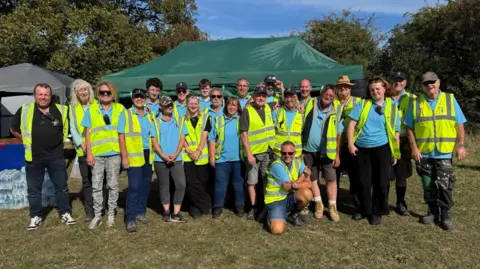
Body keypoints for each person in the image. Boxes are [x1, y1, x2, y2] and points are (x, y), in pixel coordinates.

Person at [404, 72, 467, 231]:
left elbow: (459, 124)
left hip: (444, 152)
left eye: (432, 81)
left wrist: (460, 145)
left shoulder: (450, 100)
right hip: (423, 153)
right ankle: (432, 212)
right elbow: (409, 127)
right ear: (423, 86)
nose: (430, 85)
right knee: (428, 185)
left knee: (445, 186)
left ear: (438, 82)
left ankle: (445, 214)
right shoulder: (416, 103)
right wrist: (414, 147)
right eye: (426, 83)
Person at [10, 83, 76, 231]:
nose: (43, 97)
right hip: (34, 157)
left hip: (56, 156)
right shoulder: (25, 110)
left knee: (62, 187)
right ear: (35, 96)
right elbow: (13, 129)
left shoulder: (61, 110)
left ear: (51, 96)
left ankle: (65, 212)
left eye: (46, 94)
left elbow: (67, 129)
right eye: (40, 94)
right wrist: (26, 141)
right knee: (34, 190)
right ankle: (35, 216)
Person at [347, 77, 400, 225]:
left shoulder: (392, 106)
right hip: (362, 148)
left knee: (382, 182)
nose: (375, 92)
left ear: (384, 89)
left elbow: (395, 132)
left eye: (377, 89)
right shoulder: (362, 104)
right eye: (372, 89)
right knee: (363, 181)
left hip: (382, 148)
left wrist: (395, 152)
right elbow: (351, 125)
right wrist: (351, 144)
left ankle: (378, 211)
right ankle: (364, 210)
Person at [82, 81, 125, 229]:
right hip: (97, 154)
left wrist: (124, 155)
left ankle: (111, 214)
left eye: (108, 92)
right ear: (98, 95)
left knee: (113, 185)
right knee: (96, 186)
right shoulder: (92, 109)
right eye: (102, 93)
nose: (105, 95)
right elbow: (87, 133)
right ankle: (97, 215)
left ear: (113, 94)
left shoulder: (120, 109)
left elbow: (122, 134)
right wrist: (89, 153)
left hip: (114, 153)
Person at [302, 85, 342, 221]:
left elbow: (338, 135)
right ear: (321, 93)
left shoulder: (337, 109)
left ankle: (332, 206)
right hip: (308, 150)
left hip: (327, 152)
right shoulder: (310, 103)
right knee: (312, 178)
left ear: (334, 97)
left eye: (331, 95)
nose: (328, 97)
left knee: (330, 179)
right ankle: (318, 203)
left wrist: (337, 154)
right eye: (326, 94)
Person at [118, 88, 155, 233]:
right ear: (132, 98)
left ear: (145, 98)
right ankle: (130, 218)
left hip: (148, 154)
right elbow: (121, 137)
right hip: (133, 156)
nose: (139, 99)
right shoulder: (126, 114)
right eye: (136, 97)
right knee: (134, 187)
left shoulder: (149, 114)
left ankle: (140, 212)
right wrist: (124, 157)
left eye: (141, 96)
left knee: (145, 185)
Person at [240, 86, 276, 220]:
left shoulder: (268, 108)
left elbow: (288, 100)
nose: (261, 98)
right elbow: (244, 134)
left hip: (267, 151)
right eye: (259, 95)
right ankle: (253, 207)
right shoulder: (247, 111)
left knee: (267, 181)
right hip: (253, 154)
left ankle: (267, 207)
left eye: (264, 95)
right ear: (253, 96)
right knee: (252, 182)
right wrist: (249, 154)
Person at [151, 95, 188, 223]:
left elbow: (182, 139)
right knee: (164, 186)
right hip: (160, 159)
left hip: (176, 158)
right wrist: (163, 156)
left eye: (171, 105)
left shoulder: (179, 120)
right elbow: (154, 142)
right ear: (161, 106)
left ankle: (176, 212)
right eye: (167, 105)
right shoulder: (156, 122)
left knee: (181, 184)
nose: (170, 107)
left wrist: (176, 154)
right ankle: (166, 211)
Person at [265, 141, 313, 235]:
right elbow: (287, 187)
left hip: (288, 197)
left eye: (290, 153)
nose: (287, 155)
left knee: (307, 194)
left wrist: (294, 185)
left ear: (294, 153)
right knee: (277, 230)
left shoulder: (298, 163)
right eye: (284, 153)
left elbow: (309, 184)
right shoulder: (277, 165)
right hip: (276, 201)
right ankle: (269, 215)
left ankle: (294, 214)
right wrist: (304, 175)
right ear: (280, 153)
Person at [208, 97, 245, 218]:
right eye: (230, 105)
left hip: (238, 160)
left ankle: (239, 207)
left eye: (235, 105)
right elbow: (212, 139)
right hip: (222, 160)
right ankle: (217, 208)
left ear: (238, 107)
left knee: (238, 185)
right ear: (226, 106)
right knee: (220, 185)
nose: (232, 107)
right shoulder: (218, 119)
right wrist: (212, 156)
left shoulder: (241, 119)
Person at [388, 72, 416, 216]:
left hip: (405, 140)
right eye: (395, 80)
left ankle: (400, 202)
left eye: (401, 80)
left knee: (402, 174)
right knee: (384, 173)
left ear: (405, 83)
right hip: (386, 139)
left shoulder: (414, 99)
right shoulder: (384, 99)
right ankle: (382, 202)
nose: (398, 82)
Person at [69, 79, 96, 223]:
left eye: (86, 89)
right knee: (87, 182)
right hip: (82, 151)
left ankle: (101, 208)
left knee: (99, 180)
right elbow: (73, 128)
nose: (84, 92)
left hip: (98, 148)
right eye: (80, 90)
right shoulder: (73, 108)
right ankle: (90, 211)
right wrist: (81, 143)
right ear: (76, 93)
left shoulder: (96, 105)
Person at [333, 75, 362, 209]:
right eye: (340, 86)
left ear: (350, 88)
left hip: (352, 143)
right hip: (335, 144)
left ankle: (356, 200)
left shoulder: (358, 102)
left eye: (346, 86)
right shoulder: (332, 102)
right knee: (335, 172)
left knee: (355, 172)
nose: (343, 88)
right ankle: (334, 199)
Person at [183, 94, 212, 218]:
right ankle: (205, 205)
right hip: (187, 156)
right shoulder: (182, 119)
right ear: (187, 105)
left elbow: (205, 136)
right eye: (191, 103)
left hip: (202, 156)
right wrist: (189, 150)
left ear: (198, 105)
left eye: (195, 103)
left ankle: (196, 207)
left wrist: (198, 151)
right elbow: (182, 137)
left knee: (201, 183)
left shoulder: (206, 118)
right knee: (189, 183)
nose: (193, 106)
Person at [273, 86, 303, 158]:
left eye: (291, 97)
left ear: (296, 98)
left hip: (296, 155)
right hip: (279, 154)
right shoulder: (277, 112)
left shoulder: (302, 113)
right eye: (286, 97)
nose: (289, 99)